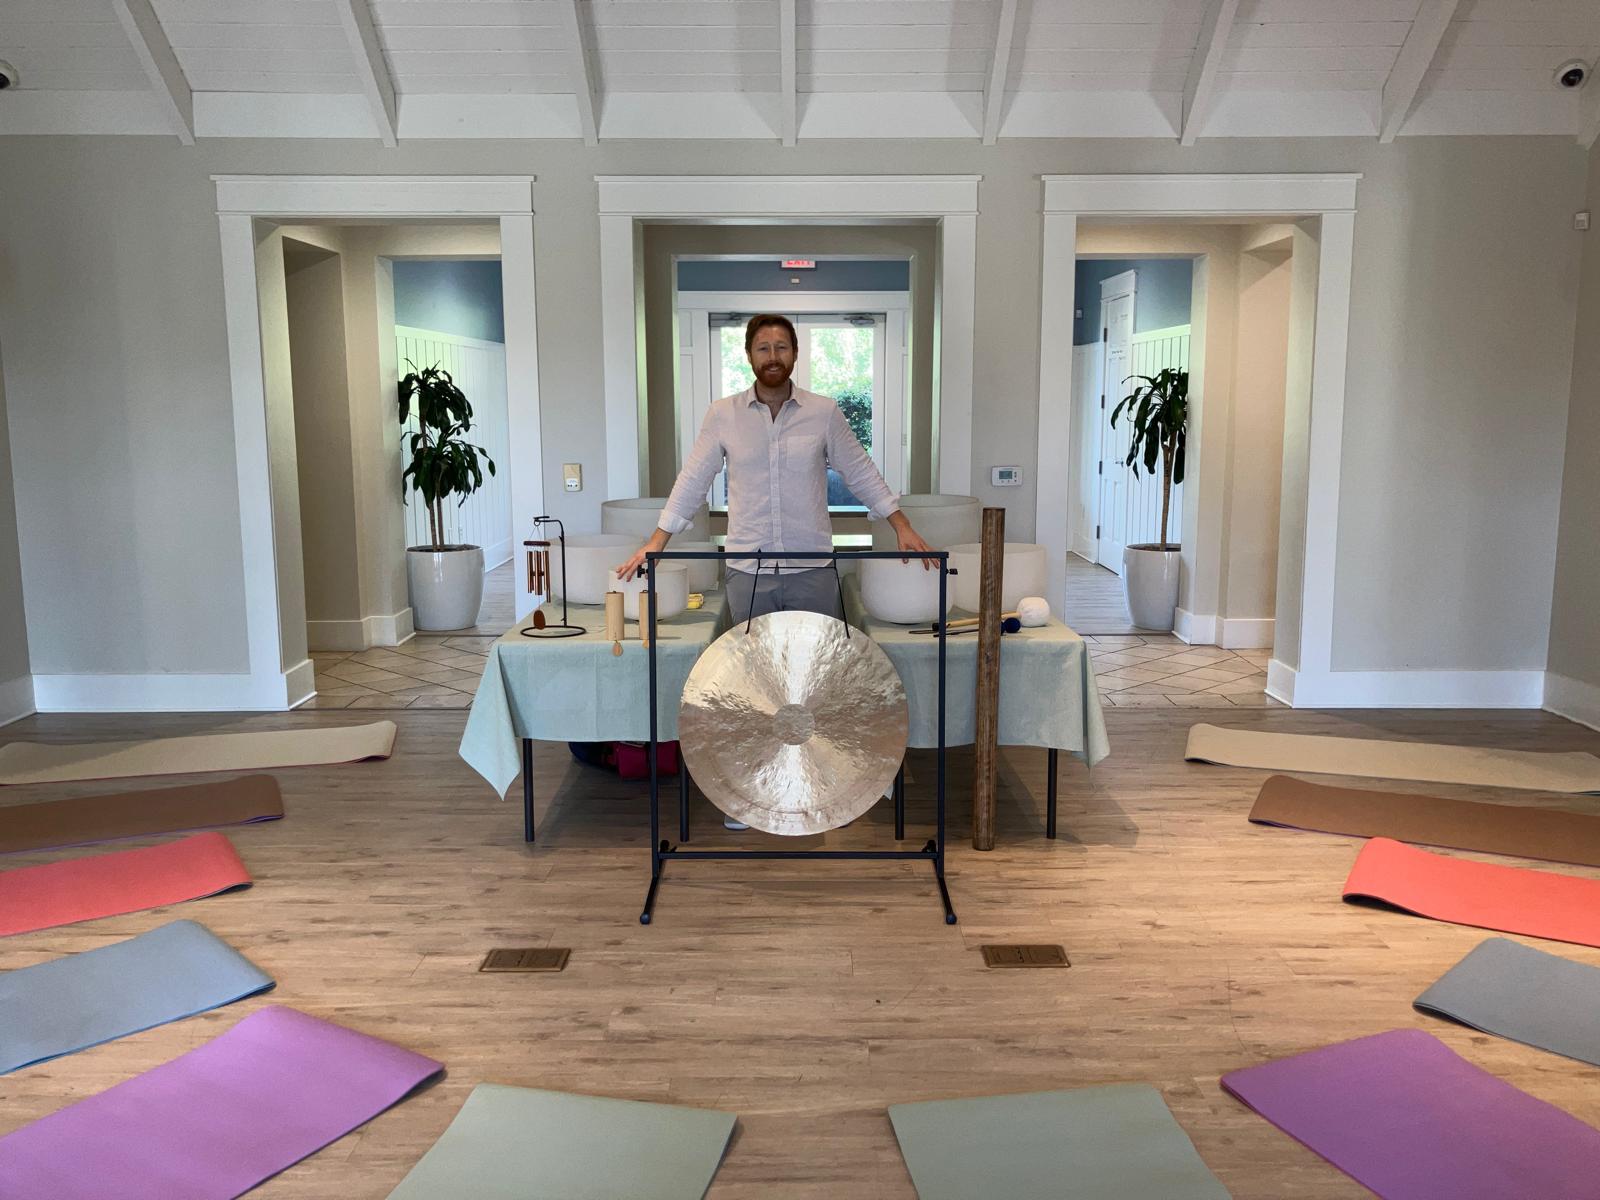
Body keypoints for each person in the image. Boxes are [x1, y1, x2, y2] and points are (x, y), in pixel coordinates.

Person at [616, 313, 934, 827]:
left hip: (811, 565)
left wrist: (900, 523)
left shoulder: (825, 413)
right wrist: (655, 540)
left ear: (795, 354)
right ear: (748, 355)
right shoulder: (722, 415)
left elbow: (861, 472)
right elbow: (692, 480)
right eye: (762, 347)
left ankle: (831, 783)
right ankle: (756, 790)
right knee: (756, 687)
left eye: (781, 346)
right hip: (749, 569)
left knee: (820, 680)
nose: (772, 356)